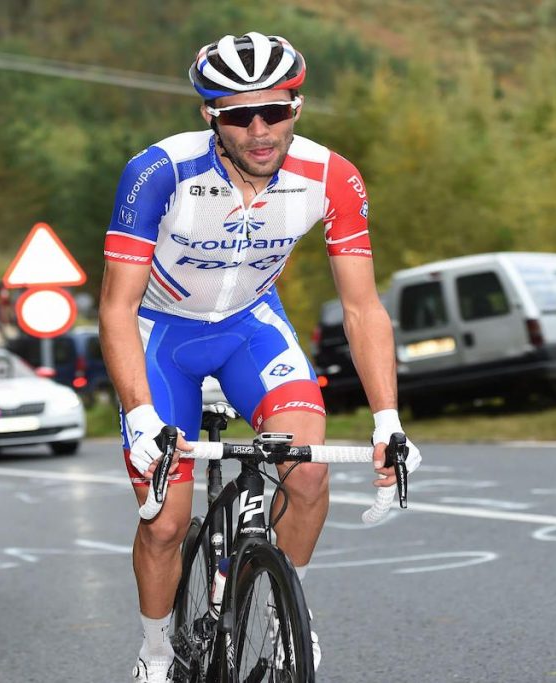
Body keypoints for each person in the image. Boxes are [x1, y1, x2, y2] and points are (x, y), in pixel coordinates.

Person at [98, 33, 422, 681]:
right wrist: (140, 415)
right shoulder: (159, 172)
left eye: (273, 111)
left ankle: (281, 615)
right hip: (162, 337)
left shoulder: (332, 177)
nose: (259, 130)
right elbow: (115, 308)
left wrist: (388, 420)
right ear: (209, 115)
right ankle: (155, 651)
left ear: (296, 107)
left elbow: (362, 307)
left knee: (307, 474)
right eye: (238, 114)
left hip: (251, 328)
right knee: (166, 524)